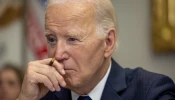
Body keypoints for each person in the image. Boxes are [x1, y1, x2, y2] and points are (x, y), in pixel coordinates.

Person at [17, 0, 175, 100]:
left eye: (72, 39)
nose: (57, 55)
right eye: (52, 39)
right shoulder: (44, 94)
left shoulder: (150, 91)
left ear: (108, 42)